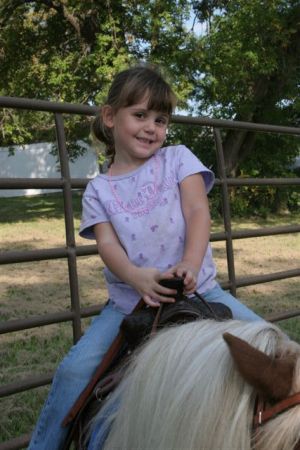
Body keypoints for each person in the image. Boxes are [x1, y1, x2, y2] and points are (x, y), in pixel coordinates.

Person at [28, 63, 261, 450]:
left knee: (274, 346)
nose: (151, 127)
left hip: (201, 290)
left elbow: (197, 212)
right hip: (129, 303)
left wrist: (189, 262)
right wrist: (136, 277)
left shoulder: (178, 160)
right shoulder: (99, 190)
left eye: (161, 119)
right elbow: (107, 246)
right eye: (140, 115)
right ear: (109, 117)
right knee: (74, 371)